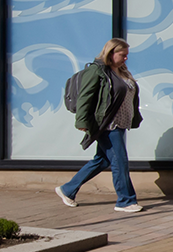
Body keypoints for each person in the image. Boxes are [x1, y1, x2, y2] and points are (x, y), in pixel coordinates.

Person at [55, 38, 145, 213]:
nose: (126, 58)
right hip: (107, 124)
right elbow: (85, 97)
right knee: (120, 161)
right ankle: (125, 201)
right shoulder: (97, 71)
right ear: (111, 52)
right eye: (123, 55)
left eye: (127, 55)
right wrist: (82, 122)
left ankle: (67, 189)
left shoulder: (121, 72)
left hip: (120, 123)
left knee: (102, 160)